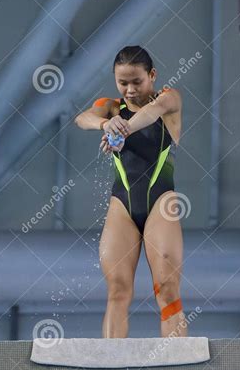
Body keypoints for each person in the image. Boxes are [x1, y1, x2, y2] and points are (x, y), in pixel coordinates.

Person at [74, 45, 187, 339]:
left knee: (167, 288)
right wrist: (105, 123)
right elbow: (82, 118)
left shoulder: (169, 99)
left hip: (161, 204)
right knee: (118, 290)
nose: (130, 89)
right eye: (122, 82)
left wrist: (120, 132)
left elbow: (150, 113)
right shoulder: (112, 108)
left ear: (152, 75)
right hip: (121, 207)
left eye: (137, 81)